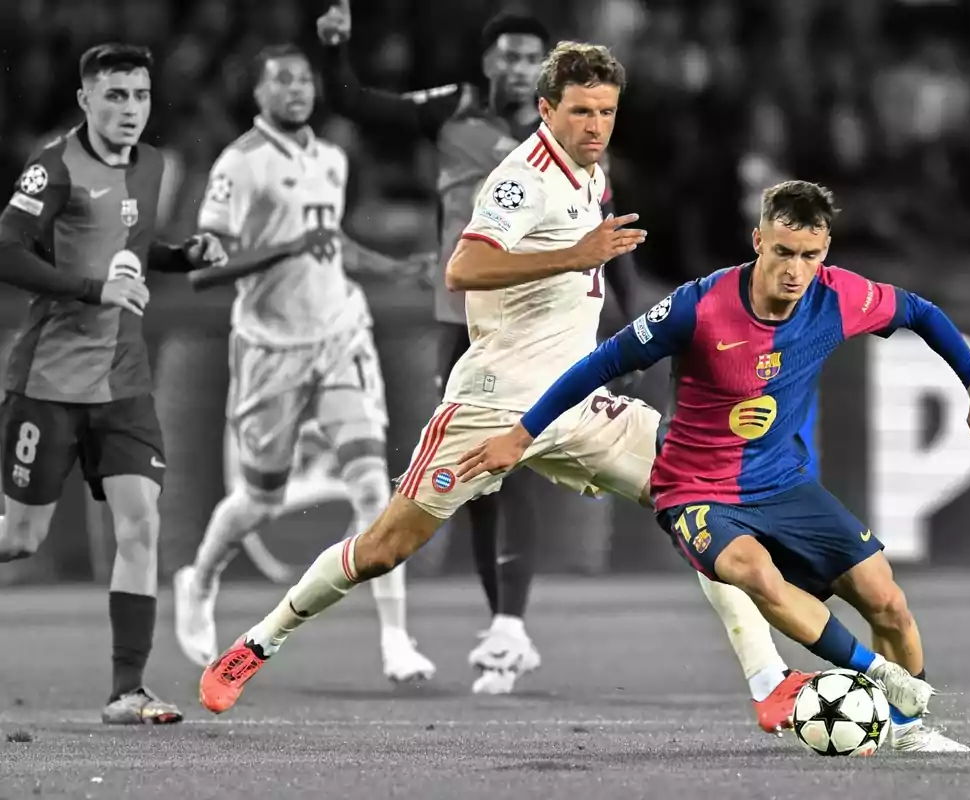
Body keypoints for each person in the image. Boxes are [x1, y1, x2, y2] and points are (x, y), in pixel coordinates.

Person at [197, 43, 812, 737]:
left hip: (577, 405)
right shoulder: (520, 179)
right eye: (580, 111)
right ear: (546, 110)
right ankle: (259, 642)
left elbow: (590, 281)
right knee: (383, 548)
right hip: (494, 405)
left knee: (700, 505)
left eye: (606, 112)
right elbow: (465, 266)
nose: (595, 126)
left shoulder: (592, 175)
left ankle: (769, 682)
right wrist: (575, 254)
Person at [457, 180, 970, 752]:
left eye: (810, 255)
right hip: (693, 489)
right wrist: (522, 433)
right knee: (752, 571)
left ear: (825, 252)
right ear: (758, 241)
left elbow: (920, 311)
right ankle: (873, 672)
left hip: (782, 483)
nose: (795, 269)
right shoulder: (698, 305)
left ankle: (907, 731)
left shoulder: (842, 297)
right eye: (783, 251)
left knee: (887, 600)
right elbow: (601, 363)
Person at [315, 2, 646, 693]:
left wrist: (629, 317)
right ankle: (505, 623)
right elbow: (353, 102)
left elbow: (603, 237)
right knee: (477, 477)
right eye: (508, 54)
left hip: (542, 324)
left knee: (516, 460)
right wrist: (336, 51)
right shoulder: (451, 109)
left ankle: (511, 624)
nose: (517, 66)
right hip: (461, 314)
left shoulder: (571, 134)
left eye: (531, 57)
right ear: (488, 60)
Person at [172, 44, 436, 685]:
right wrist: (285, 246)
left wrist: (395, 267)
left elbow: (331, 244)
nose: (296, 89)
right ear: (258, 93)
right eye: (281, 80)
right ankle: (198, 576)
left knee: (374, 486)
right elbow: (207, 271)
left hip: (341, 333)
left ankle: (397, 641)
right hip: (270, 348)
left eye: (304, 80)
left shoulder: (331, 158)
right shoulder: (240, 166)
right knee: (259, 498)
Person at [0, 43, 227, 724]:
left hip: (124, 382)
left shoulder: (152, 164)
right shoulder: (54, 167)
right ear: (85, 100)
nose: (130, 110)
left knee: (141, 527)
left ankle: (126, 690)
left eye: (140, 96)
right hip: (49, 379)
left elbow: (131, 247)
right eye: (115, 96)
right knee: (20, 539)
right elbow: (5, 249)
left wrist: (184, 254)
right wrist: (91, 290)